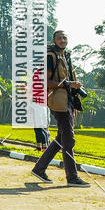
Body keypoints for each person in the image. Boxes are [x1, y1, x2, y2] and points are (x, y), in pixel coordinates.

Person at [30, 30, 89, 187]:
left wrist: (74, 100)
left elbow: (68, 78)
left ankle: (39, 169)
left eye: (64, 37)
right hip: (58, 101)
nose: (62, 40)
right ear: (54, 40)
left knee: (61, 139)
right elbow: (45, 81)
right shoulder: (51, 56)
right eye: (59, 38)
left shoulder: (65, 56)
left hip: (67, 101)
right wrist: (67, 84)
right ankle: (72, 177)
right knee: (69, 139)